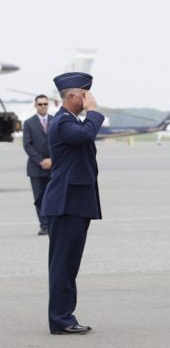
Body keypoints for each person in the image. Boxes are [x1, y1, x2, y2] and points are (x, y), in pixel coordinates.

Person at [41, 72, 104, 335]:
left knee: (69, 264)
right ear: (71, 96)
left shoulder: (70, 122)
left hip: (74, 203)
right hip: (67, 204)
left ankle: (64, 315)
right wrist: (94, 112)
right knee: (63, 265)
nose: (89, 99)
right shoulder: (64, 123)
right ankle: (61, 320)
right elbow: (87, 135)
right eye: (85, 94)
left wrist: (88, 114)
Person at [22, 94, 54, 236]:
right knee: (39, 198)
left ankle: (53, 225)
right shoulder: (29, 123)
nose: (43, 106)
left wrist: (52, 160)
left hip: (54, 167)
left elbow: (60, 143)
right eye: (40, 104)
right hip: (36, 168)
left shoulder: (55, 121)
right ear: (36, 106)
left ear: (48, 105)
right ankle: (44, 225)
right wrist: (41, 161)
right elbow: (27, 145)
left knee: (53, 197)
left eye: (45, 104)